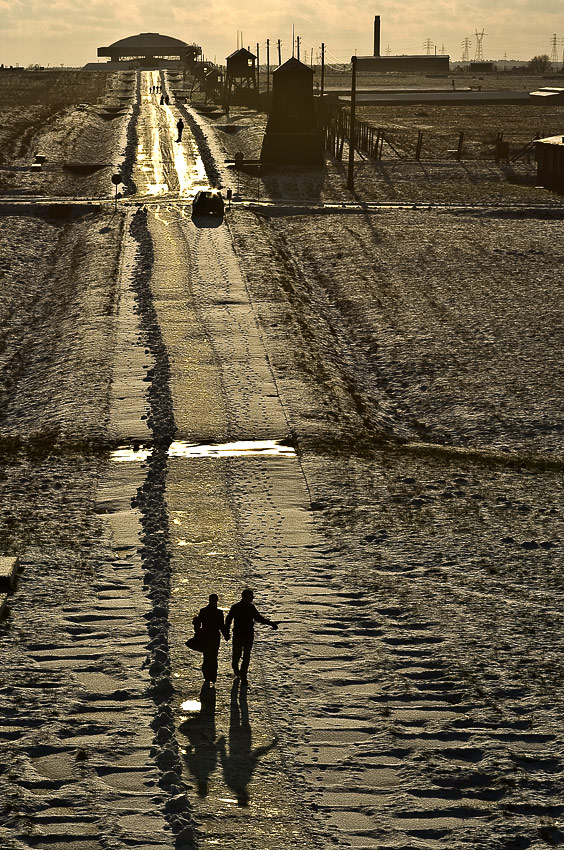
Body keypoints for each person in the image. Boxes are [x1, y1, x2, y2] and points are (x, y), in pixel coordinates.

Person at [225, 589, 278, 684]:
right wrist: (226, 633)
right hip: (239, 634)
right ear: (246, 597)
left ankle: (243, 675)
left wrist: (271, 623)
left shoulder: (250, 607)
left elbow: (258, 618)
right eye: (251, 597)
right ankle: (236, 669)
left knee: (246, 656)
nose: (252, 599)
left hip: (248, 634)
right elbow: (228, 620)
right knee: (237, 655)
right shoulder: (236, 607)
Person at [192, 594, 229, 685]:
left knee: (213, 657)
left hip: (214, 637)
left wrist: (226, 635)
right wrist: (198, 632)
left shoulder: (217, 612)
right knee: (208, 657)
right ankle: (208, 676)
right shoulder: (204, 611)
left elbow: (221, 626)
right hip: (207, 637)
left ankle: (211, 677)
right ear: (209, 600)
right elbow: (198, 623)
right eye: (212, 601)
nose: (213, 602)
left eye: (214, 601)